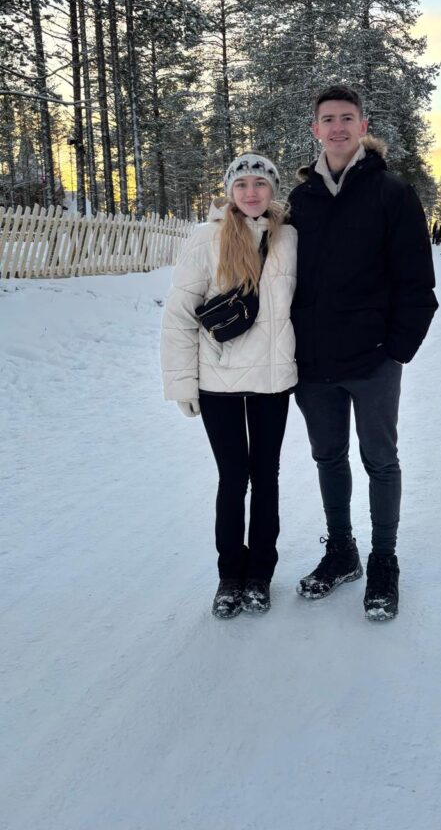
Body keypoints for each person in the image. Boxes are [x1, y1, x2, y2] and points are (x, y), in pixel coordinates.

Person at [288, 84, 438, 622]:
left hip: (374, 361)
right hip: (314, 366)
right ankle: (342, 552)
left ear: (363, 125)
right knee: (328, 458)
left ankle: (383, 560)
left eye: (347, 118)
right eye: (327, 118)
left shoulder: (391, 193)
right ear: (315, 129)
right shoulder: (299, 202)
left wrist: (394, 350)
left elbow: (418, 283)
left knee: (380, 461)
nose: (337, 127)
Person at [160, 154, 297, 619]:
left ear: (273, 189)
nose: (251, 192)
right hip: (218, 381)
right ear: (229, 191)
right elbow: (178, 317)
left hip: (272, 382)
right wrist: (183, 383)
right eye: (242, 184)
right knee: (232, 479)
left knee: (267, 478)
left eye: (261, 183)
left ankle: (260, 574)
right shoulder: (206, 239)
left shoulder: (291, 239)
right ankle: (228, 576)